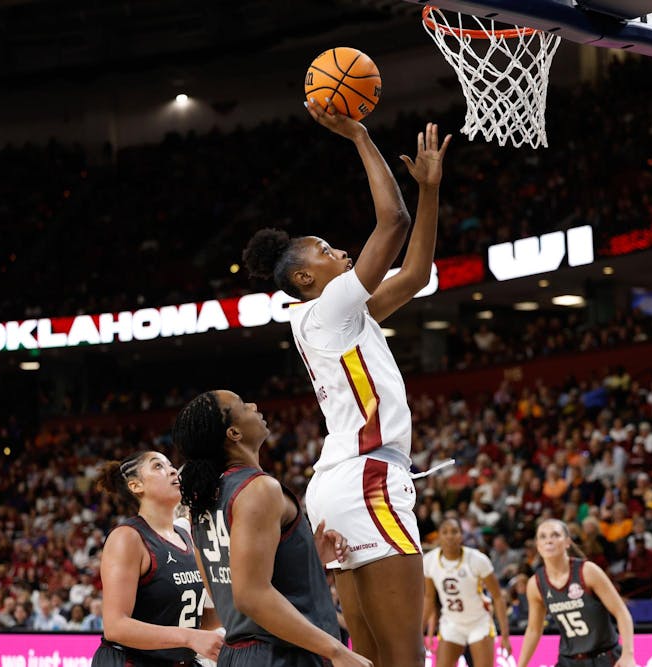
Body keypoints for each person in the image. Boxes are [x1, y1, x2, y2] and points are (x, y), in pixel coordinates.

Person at [241, 98, 451, 667]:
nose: (343, 251)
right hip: (368, 477)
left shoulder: (337, 318)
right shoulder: (329, 308)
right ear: (307, 277)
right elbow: (394, 223)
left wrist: (430, 189)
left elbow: (416, 274)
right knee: (404, 658)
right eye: (329, 251)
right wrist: (359, 135)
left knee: (371, 658)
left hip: (339, 486)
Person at [175, 390, 371, 667]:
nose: (254, 405)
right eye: (243, 404)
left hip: (240, 654)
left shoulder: (205, 502)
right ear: (233, 433)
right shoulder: (257, 489)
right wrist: (337, 651)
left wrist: (304, 555)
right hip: (281, 653)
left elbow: (225, 590)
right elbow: (249, 595)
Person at [91, 451, 223, 667]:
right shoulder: (128, 537)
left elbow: (192, 621)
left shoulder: (186, 537)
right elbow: (116, 627)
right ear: (136, 486)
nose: (172, 470)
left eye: (171, 465)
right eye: (158, 466)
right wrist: (190, 638)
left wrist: (238, 606)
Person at [518, 519, 635, 667]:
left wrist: (628, 655)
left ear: (567, 542)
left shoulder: (587, 571)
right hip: (568, 661)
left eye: (555, 535)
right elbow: (534, 630)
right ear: (538, 546)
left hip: (604, 657)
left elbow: (621, 612)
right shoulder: (535, 584)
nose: (548, 540)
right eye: (543, 536)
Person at [423, 518, 512, 667]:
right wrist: (421, 631)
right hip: (451, 623)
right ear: (439, 536)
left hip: (479, 623)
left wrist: (505, 635)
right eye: (445, 532)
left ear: (461, 536)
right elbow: (429, 598)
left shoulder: (477, 559)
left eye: (454, 531)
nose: (450, 536)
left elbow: (497, 596)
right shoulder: (429, 561)